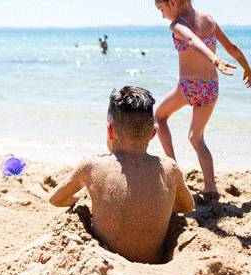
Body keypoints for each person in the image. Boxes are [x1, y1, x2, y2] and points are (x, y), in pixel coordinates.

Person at [49, 86, 194, 263]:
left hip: (107, 265)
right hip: (154, 264)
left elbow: (55, 199)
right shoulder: (170, 169)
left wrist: (77, 200)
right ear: (153, 133)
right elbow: (187, 206)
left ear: (110, 130)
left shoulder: (91, 166)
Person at [153, 0, 251, 201]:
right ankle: (211, 188)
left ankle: (173, 171)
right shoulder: (208, 19)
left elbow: (191, 38)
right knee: (196, 137)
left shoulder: (177, 24)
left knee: (158, 117)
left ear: (173, 2)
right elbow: (232, 47)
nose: (163, 15)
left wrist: (212, 57)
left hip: (189, 86)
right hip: (211, 88)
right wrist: (247, 68)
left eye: (162, 9)